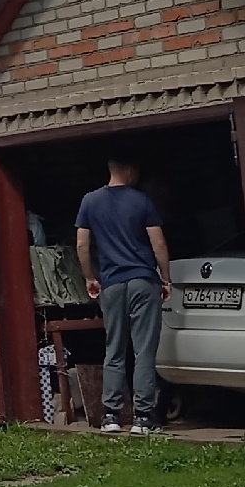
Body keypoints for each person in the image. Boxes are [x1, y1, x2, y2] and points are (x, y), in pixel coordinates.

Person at [75, 156, 172, 435]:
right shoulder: (142, 201)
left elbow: (82, 245)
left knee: (114, 350)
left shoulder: (90, 201)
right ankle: (142, 418)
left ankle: (111, 416)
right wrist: (166, 278)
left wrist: (90, 277)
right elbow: (159, 244)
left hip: (112, 284)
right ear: (129, 170)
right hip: (143, 281)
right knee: (144, 350)